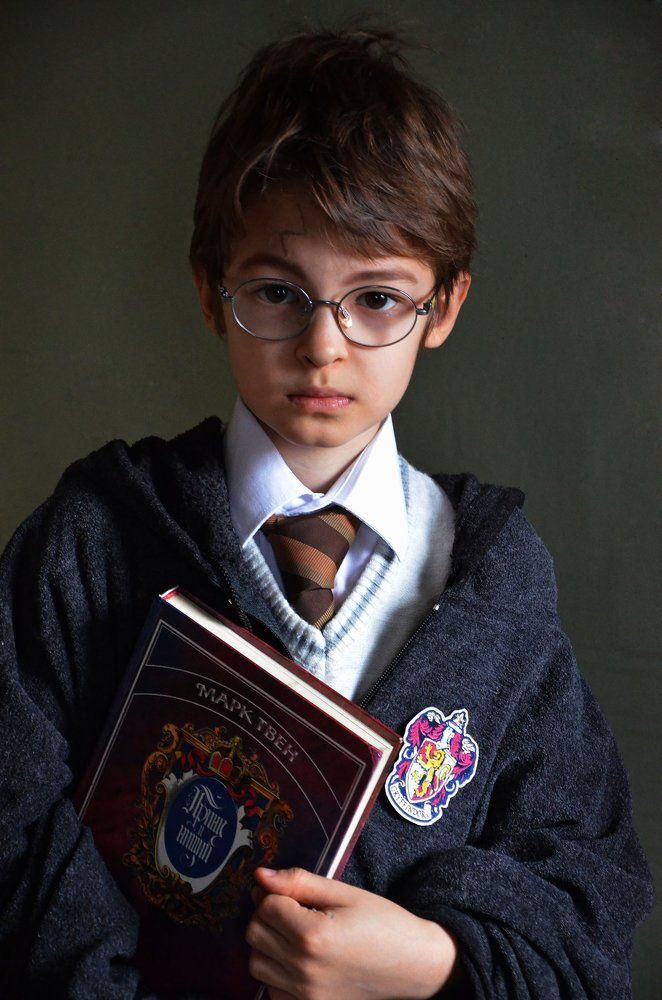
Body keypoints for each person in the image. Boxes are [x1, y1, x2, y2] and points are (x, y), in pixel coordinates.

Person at [0, 26, 652, 1000]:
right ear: (211, 290)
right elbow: (13, 825)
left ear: (442, 308)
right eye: (278, 292)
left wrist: (435, 959)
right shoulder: (92, 541)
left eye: (376, 299)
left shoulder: (493, 585)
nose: (323, 346)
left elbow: (588, 890)